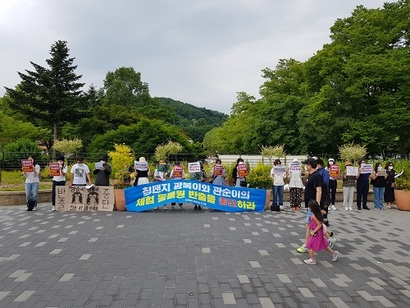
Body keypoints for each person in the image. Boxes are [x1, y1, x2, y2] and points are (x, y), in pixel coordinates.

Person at [297, 157, 323, 253]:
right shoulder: (310, 175)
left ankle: (307, 245)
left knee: (309, 226)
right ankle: (328, 240)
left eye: (306, 165)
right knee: (313, 225)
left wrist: (317, 204)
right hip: (309, 205)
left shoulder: (316, 176)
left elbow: (319, 190)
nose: (305, 166)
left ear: (310, 165)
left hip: (312, 206)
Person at [303, 200, 339, 265]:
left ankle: (312, 259)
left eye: (309, 207)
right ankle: (334, 253)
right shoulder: (318, 212)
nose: (308, 208)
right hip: (318, 232)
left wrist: (313, 231)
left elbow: (319, 225)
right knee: (323, 245)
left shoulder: (314, 216)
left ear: (312, 208)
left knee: (309, 245)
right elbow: (324, 214)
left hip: (316, 233)